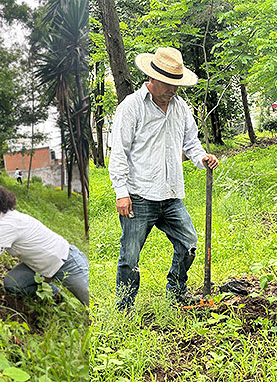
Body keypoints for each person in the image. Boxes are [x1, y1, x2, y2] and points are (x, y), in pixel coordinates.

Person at [108, 47, 219, 310]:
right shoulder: (132, 107)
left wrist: (202, 158)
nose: (172, 89)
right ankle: (124, 307)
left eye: (176, 84)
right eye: (168, 83)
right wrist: (121, 192)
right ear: (152, 78)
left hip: (170, 195)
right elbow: (119, 152)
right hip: (139, 195)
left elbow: (191, 143)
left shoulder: (181, 108)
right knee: (130, 256)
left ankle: (176, 292)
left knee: (189, 243)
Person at [0, 186, 89, 306]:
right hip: (38, 267)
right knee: (12, 283)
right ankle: (55, 296)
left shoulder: (8, 224)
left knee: (96, 303)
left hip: (66, 262)